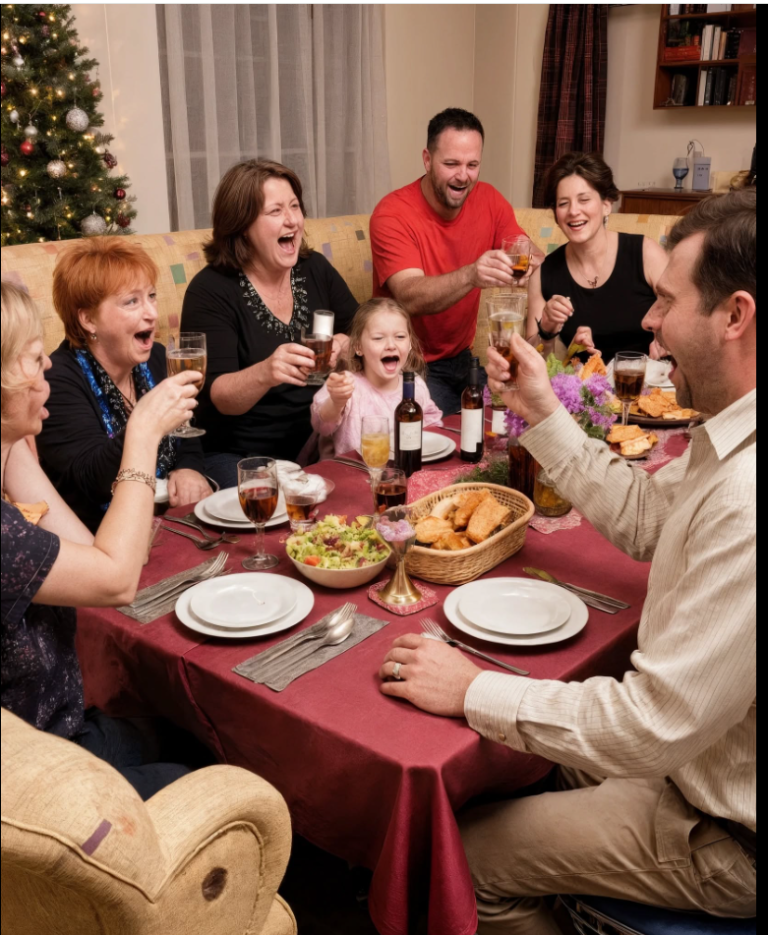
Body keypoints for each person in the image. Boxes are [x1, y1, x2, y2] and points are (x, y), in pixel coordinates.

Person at [378, 191, 756, 930]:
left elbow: (653, 721)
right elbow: (648, 518)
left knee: (463, 858)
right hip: (697, 758)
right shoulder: (728, 434)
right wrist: (545, 411)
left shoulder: (748, 496)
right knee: (511, 766)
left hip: (725, 830)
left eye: (665, 302)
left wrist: (474, 687)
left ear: (735, 315)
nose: (648, 322)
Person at [1, 281, 210, 800]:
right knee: (200, 786)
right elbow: (117, 582)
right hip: (31, 778)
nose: (48, 366)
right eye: (32, 358)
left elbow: (125, 558)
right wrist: (141, 435)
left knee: (193, 732)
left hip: (63, 725)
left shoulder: (10, 460)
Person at [181, 159, 359, 488]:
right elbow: (217, 395)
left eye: (294, 206)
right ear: (242, 225)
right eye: (275, 211)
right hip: (239, 455)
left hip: (319, 440)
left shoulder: (314, 269)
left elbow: (361, 329)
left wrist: (343, 343)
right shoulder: (211, 291)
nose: (292, 219)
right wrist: (265, 372)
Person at [370, 108, 543, 416]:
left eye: (472, 164)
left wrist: (527, 265)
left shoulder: (488, 199)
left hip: (464, 361)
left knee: (516, 418)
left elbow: (532, 256)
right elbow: (409, 295)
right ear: (427, 160)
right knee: (459, 439)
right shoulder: (392, 213)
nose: (463, 175)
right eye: (451, 164)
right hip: (408, 364)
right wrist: (472, 275)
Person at [37, 238, 212, 533]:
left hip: (168, 523)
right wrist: (145, 422)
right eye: (132, 301)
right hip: (101, 538)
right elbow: (91, 480)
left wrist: (189, 468)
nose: (152, 314)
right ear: (88, 319)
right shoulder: (59, 380)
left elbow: (187, 432)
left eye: (152, 296)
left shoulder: (157, 358)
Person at [527, 151, 668, 362]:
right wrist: (546, 331)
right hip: (584, 392)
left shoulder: (645, 253)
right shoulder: (543, 274)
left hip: (650, 386)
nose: (573, 211)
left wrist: (665, 341)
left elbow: (686, 313)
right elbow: (530, 362)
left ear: (606, 204)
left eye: (584, 200)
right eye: (563, 203)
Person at [310, 297, 443, 458]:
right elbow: (322, 425)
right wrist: (337, 401)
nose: (391, 345)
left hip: (401, 472)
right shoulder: (346, 384)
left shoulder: (415, 385)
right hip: (353, 474)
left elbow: (431, 420)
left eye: (400, 337)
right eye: (378, 338)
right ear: (358, 346)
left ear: (410, 344)